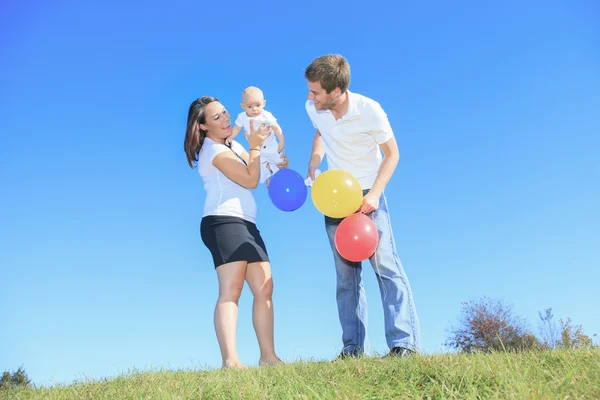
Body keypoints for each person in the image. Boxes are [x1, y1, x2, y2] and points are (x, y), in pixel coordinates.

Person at [303, 54, 420, 358]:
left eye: (316, 91)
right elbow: (319, 132)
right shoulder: (314, 108)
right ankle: (352, 349)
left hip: (368, 193)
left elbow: (392, 154)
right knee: (346, 279)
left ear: (337, 91)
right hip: (334, 197)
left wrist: (375, 194)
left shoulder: (369, 110)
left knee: (386, 267)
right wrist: (314, 163)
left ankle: (403, 343)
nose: (309, 96)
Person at [183, 96, 288, 368]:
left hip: (246, 222)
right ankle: (231, 361)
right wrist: (254, 149)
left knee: (265, 287)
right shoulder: (214, 152)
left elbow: (259, 174)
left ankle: (269, 357)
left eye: (225, 112)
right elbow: (249, 180)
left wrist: (275, 165)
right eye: (216, 117)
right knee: (231, 289)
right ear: (204, 126)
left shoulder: (234, 145)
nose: (226, 119)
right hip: (222, 221)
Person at [226, 86, 285, 187]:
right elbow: (236, 128)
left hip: (271, 146)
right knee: (259, 167)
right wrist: (231, 137)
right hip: (258, 150)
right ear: (243, 106)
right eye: (249, 106)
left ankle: (279, 177)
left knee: (279, 162)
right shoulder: (242, 117)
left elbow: (276, 128)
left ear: (264, 104)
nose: (254, 109)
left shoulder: (266, 115)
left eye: (258, 105)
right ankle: (268, 177)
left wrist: (281, 141)